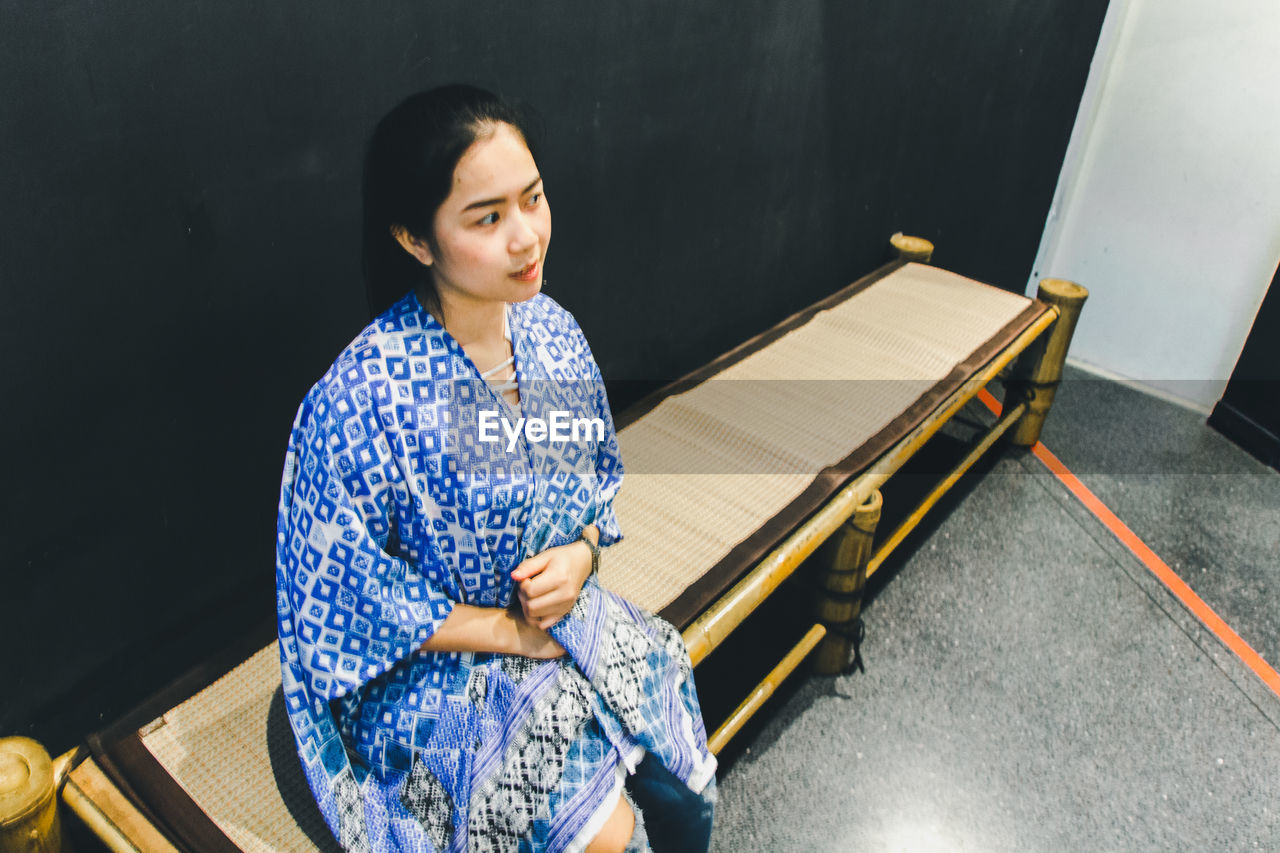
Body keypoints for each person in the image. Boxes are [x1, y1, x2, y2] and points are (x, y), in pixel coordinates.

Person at [275, 85, 716, 853]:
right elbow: (340, 597)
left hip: (556, 618)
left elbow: (591, 491)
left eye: (533, 199)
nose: (527, 237)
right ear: (416, 238)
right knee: (605, 834)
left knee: (677, 764)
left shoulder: (552, 334)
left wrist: (579, 556)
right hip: (426, 672)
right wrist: (506, 634)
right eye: (488, 217)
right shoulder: (360, 397)